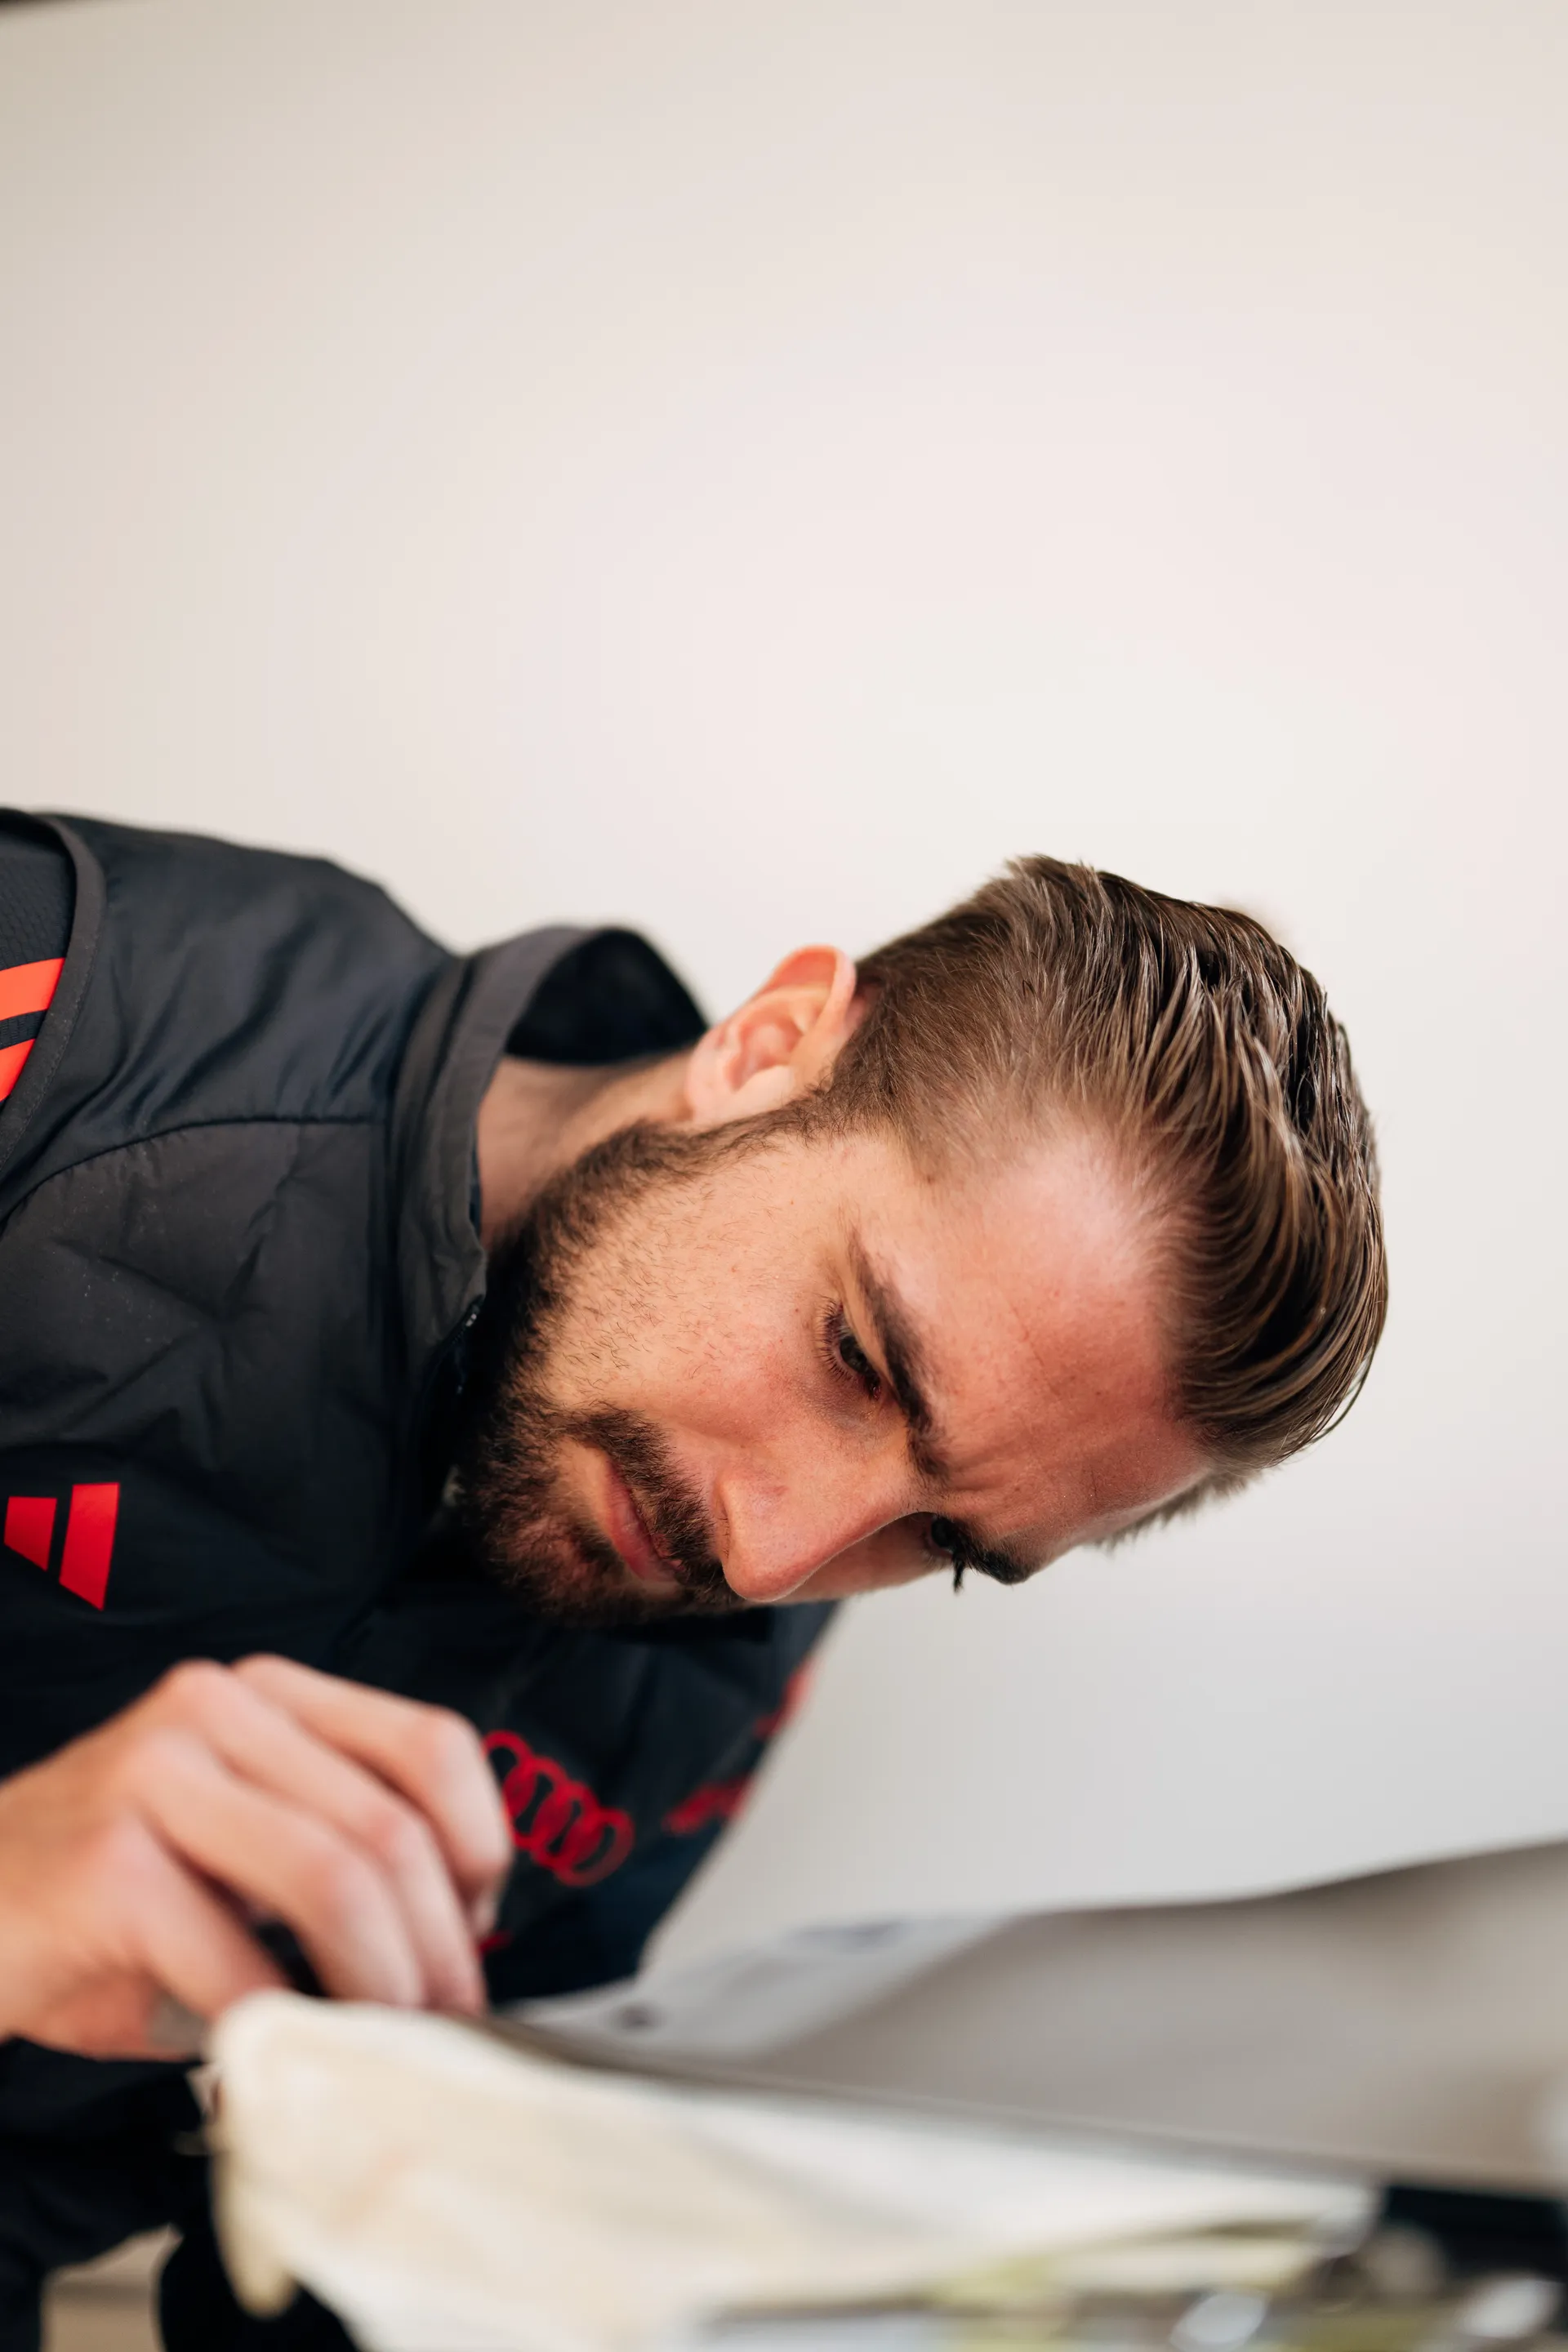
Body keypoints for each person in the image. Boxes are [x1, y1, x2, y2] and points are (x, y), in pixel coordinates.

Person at [0, 807, 1386, 2347]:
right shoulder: (66, 1007)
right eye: (860, 1361)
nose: (769, 1556)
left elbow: (345, 2240)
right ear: (768, 1046)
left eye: (940, 1543)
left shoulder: (724, 1658)